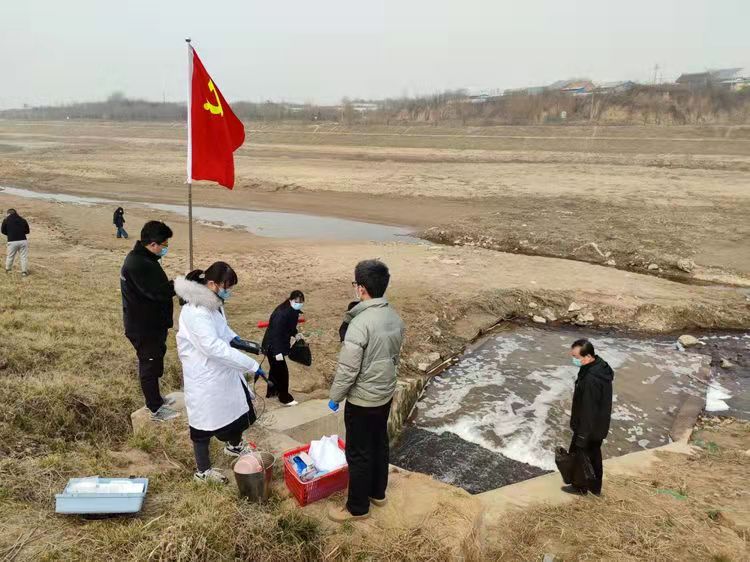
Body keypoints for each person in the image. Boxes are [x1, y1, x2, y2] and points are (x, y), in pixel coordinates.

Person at [174, 263, 267, 483]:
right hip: (204, 375)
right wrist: (251, 364)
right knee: (203, 424)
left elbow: (223, 330)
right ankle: (203, 471)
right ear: (212, 284)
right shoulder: (196, 311)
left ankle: (234, 446)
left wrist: (242, 342)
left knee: (236, 410)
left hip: (221, 371)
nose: (228, 291)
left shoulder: (213, 303)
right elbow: (213, 347)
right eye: (226, 286)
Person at [328, 260, 405, 522]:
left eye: (355, 285)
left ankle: (357, 508)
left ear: (361, 289)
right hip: (384, 394)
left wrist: (335, 397)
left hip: (362, 400)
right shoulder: (393, 316)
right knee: (379, 443)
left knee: (358, 452)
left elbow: (348, 370)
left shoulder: (360, 323)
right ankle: (378, 493)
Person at [120, 221, 178, 421]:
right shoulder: (138, 264)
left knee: (155, 360)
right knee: (149, 363)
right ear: (153, 244)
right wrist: (180, 286)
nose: (165, 248)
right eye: (164, 244)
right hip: (143, 326)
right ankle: (155, 408)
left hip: (151, 323)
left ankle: (157, 400)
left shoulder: (145, 259)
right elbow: (157, 292)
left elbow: (156, 287)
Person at [565, 339, 614, 496]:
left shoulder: (591, 379)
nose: (573, 360)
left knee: (581, 456)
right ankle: (594, 487)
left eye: (575, 357)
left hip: (589, 427)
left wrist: (581, 436)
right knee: (593, 456)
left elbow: (588, 409)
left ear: (587, 356)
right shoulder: (599, 366)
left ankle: (581, 487)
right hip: (598, 425)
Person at [261, 290, 305, 406]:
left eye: (301, 302)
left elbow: (290, 326)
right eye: (296, 302)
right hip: (273, 346)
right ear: (290, 300)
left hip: (276, 345)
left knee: (275, 370)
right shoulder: (281, 313)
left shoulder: (293, 311)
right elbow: (276, 333)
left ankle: (272, 392)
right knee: (282, 373)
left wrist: (295, 334)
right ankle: (285, 398)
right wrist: (277, 352)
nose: (299, 304)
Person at [2, 208, 30, 276]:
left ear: (8, 213)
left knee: (10, 256)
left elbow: (3, 231)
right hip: (23, 240)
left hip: (12, 241)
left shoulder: (6, 220)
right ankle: (24, 272)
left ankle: (8, 270)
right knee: (23, 257)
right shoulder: (23, 220)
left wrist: (10, 234)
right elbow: (27, 231)